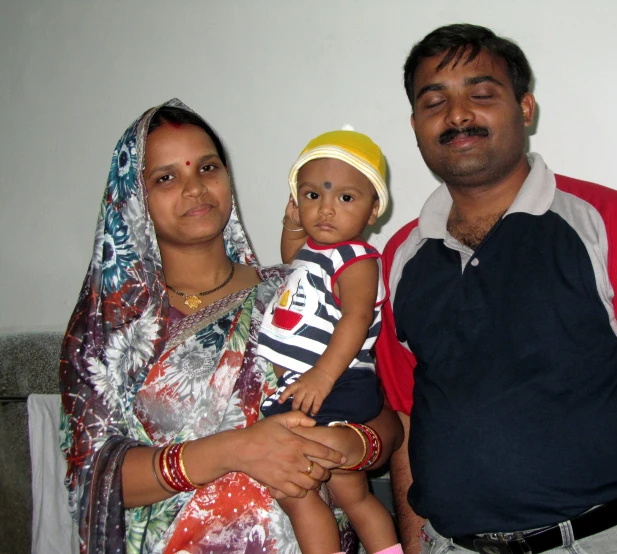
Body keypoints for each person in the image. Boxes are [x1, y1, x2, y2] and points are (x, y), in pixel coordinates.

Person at [375, 24, 617, 554]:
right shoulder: (398, 257)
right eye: (434, 101)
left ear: (525, 108)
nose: (458, 115)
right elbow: (406, 423)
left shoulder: (608, 222)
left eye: (481, 94)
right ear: (415, 124)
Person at [59, 99, 402, 554]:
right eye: (166, 177)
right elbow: (92, 475)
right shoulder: (108, 331)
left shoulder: (292, 292)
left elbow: (385, 420)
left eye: (207, 168)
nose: (195, 189)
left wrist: (350, 444)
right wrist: (235, 450)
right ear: (133, 198)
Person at [256, 129, 402, 554]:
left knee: (331, 492)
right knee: (319, 491)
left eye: (345, 198)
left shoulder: (355, 259)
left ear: (373, 209)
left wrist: (322, 376)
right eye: (312, 195)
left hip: (334, 386)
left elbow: (356, 320)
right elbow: (290, 257)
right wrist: (291, 224)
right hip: (305, 388)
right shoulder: (314, 251)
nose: (325, 209)